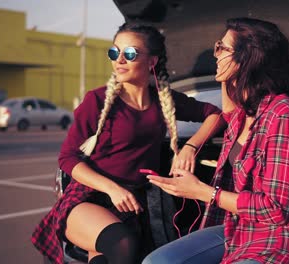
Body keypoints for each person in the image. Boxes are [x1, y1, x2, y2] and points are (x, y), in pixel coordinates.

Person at [31, 22, 222, 264]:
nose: (119, 60)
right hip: (90, 197)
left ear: (151, 62)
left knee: (108, 258)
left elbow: (216, 115)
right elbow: (67, 158)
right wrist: (111, 188)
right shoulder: (97, 100)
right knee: (122, 244)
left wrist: (190, 147)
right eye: (114, 52)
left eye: (129, 53)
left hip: (134, 204)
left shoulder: (163, 102)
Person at [143, 17, 289, 264]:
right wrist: (190, 147)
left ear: (249, 57)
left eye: (222, 48)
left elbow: (276, 209)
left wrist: (204, 192)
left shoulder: (286, 116)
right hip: (236, 230)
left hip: (279, 237)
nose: (215, 55)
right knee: (157, 262)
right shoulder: (241, 116)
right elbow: (224, 111)